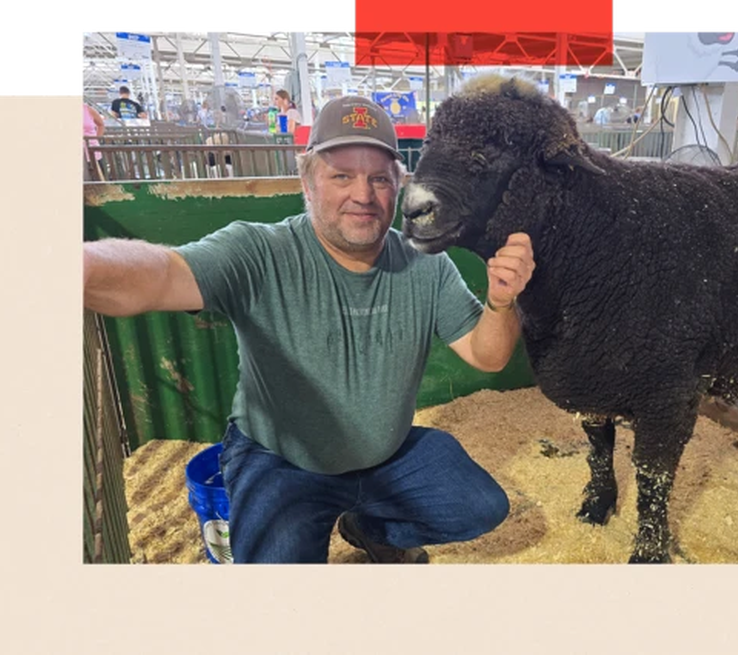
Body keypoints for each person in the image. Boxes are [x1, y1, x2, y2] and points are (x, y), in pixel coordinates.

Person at [82, 96, 535, 564]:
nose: (363, 194)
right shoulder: (259, 251)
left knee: (479, 507)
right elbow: (161, 274)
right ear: (307, 180)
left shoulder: (425, 263)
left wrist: (501, 301)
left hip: (386, 455)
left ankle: (369, 528)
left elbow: (489, 357)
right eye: (342, 175)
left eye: (379, 178)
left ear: (399, 186)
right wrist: (84, 264)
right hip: (282, 460)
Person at [83, 102, 106, 181]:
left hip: (93, 153)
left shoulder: (87, 109)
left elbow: (101, 124)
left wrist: (96, 138)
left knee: (99, 185)